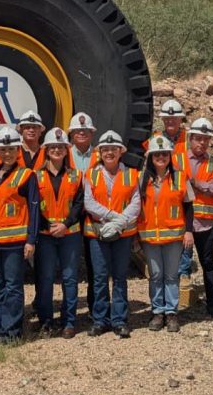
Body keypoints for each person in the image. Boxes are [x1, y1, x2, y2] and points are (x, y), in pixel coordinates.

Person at [0, 127, 40, 343]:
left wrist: (31, 240)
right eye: (3, 149)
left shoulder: (26, 175)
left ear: (18, 150)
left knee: (13, 286)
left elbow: (34, 210)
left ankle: (12, 331)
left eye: (11, 149)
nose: (7, 153)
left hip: (15, 242)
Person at [83, 130, 141, 338]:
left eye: (113, 149)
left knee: (119, 277)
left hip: (122, 234)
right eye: (105, 149)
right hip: (97, 233)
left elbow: (136, 202)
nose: (109, 153)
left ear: (120, 152)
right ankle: (100, 320)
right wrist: (110, 216)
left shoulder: (132, 174)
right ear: (100, 152)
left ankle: (119, 320)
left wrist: (119, 222)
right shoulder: (91, 174)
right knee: (99, 278)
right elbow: (88, 201)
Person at [138, 135, 195, 333]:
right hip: (150, 236)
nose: (161, 157)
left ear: (170, 156)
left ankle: (171, 313)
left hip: (174, 237)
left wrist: (189, 231)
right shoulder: (141, 178)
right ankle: (157, 311)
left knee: (171, 275)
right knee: (155, 275)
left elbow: (188, 206)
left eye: (164, 154)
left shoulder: (180, 177)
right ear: (151, 157)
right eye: (157, 154)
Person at [34, 128, 84, 339]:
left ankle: (69, 322)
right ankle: (46, 321)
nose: (57, 150)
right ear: (46, 151)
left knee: (70, 278)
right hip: (45, 235)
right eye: (53, 147)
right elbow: (33, 206)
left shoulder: (76, 175)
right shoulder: (35, 176)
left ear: (66, 151)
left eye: (61, 147)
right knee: (44, 279)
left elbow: (79, 205)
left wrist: (65, 224)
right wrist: (48, 226)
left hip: (70, 234)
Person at [175, 118, 213, 319]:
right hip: (181, 222)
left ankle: (212, 304)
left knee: (207, 263)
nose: (201, 143)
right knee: (177, 265)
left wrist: (196, 183)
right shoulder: (177, 160)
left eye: (205, 139)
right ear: (190, 139)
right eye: (198, 139)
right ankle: (174, 306)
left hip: (205, 224)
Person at [66, 111, 99, 313]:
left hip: (93, 214)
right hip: (71, 214)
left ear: (92, 134)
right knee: (69, 265)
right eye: (77, 130)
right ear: (71, 133)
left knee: (94, 263)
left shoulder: (99, 154)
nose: (81, 133)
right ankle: (69, 307)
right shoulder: (64, 153)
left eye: (85, 130)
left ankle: (95, 304)